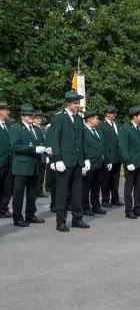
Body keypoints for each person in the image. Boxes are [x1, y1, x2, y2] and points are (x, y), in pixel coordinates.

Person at [48, 91, 90, 232]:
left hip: (77, 161)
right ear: (67, 103)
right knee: (62, 192)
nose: (77, 105)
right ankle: (60, 221)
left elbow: (82, 140)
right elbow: (54, 140)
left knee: (77, 192)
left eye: (78, 103)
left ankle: (77, 218)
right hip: (64, 162)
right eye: (75, 103)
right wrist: (57, 159)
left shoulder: (79, 119)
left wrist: (85, 159)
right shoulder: (59, 118)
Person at [9, 104, 47, 227]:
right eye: (28, 115)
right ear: (22, 117)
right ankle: (17, 217)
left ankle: (30, 215)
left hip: (34, 165)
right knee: (19, 193)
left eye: (32, 115)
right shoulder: (16, 129)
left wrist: (47, 148)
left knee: (32, 193)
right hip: (22, 166)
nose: (31, 117)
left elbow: (43, 142)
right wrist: (34, 149)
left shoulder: (36, 129)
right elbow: (16, 146)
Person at [119, 106, 140, 219]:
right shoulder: (125, 129)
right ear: (134, 116)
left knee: (139, 187)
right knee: (129, 188)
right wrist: (128, 161)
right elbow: (123, 147)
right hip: (131, 163)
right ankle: (128, 210)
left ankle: (137, 208)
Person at [81, 110, 107, 216]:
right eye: (96, 119)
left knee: (96, 187)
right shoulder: (83, 131)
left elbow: (102, 145)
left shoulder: (97, 130)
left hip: (99, 163)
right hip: (89, 163)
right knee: (86, 187)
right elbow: (83, 147)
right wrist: (85, 160)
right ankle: (85, 207)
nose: (98, 120)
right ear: (90, 120)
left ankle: (96, 206)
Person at [99, 105, 123, 208]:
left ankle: (115, 198)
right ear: (107, 114)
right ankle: (105, 199)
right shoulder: (101, 125)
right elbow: (102, 142)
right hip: (108, 156)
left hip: (117, 155)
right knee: (106, 179)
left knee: (115, 179)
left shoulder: (117, 124)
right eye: (113, 113)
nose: (115, 115)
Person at [0, 100, 12, 219]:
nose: (8, 112)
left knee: (6, 187)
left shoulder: (8, 126)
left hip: (8, 161)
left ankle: (3, 208)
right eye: (6, 109)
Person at [33, 110, 48, 199]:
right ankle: (34, 191)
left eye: (40, 118)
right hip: (36, 154)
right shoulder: (33, 128)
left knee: (41, 174)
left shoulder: (42, 128)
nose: (39, 119)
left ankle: (39, 190)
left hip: (43, 155)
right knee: (35, 174)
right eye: (37, 118)